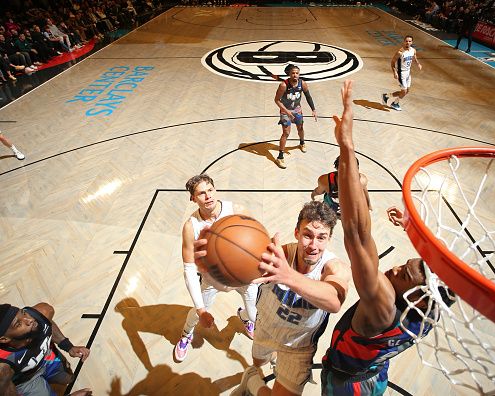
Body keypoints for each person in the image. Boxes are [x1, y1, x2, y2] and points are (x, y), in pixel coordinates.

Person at [321, 80, 453, 395]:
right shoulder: (431, 307)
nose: (393, 269)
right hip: (377, 371)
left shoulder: (382, 306)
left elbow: (356, 233)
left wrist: (347, 147)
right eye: (403, 265)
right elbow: (444, 267)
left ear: (419, 295)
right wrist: (408, 225)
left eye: (404, 274)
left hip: (348, 385)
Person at [229, 200, 350, 396]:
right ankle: (253, 374)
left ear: (329, 239)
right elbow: (240, 267)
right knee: (259, 363)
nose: (313, 245)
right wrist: (214, 264)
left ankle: (251, 381)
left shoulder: (334, 267)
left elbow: (334, 301)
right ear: (296, 233)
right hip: (266, 328)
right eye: (307, 235)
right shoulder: (282, 254)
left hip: (298, 346)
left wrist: (288, 276)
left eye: (321, 237)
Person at [174, 174, 259, 362]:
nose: (208, 196)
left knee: (254, 315)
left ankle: (243, 316)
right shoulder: (191, 226)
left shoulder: (237, 210)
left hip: (242, 276)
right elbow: (189, 269)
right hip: (212, 279)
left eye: (210, 190)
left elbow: (258, 242)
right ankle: (186, 334)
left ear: (216, 189)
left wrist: (259, 271)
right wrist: (201, 310)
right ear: (193, 198)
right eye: (201, 193)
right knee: (197, 313)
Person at [0, 303, 92, 396]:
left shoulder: (43, 312)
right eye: (18, 324)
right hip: (25, 380)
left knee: (68, 378)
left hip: (46, 357)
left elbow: (47, 323)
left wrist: (67, 346)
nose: (30, 320)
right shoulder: (3, 368)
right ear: (4, 339)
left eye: (23, 313)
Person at [273, 64, 317, 169]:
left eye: (297, 73)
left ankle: (302, 143)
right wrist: (287, 111)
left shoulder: (303, 83)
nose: (295, 75)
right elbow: (276, 100)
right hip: (285, 111)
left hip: (297, 110)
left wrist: (313, 109)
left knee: (300, 128)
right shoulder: (283, 85)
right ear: (289, 74)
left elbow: (308, 97)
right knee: (286, 133)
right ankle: (280, 156)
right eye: (293, 73)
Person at [381, 35, 422, 111]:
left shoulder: (413, 50)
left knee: (407, 91)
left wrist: (418, 64)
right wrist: (395, 72)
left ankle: (386, 96)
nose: (408, 43)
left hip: (408, 73)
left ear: (412, 42)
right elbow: (392, 62)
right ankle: (395, 103)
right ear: (404, 42)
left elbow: (415, 58)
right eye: (406, 41)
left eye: (409, 41)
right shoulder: (400, 52)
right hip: (401, 73)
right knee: (404, 91)